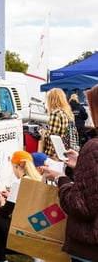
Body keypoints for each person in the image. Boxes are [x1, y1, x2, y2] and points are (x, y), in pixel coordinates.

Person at [42, 84, 98, 262]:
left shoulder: (94, 147)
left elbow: (80, 207)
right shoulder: (67, 114)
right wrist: (82, 163)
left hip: (90, 246)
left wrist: (62, 179)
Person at [0, 151, 42, 262]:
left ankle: (1, 258)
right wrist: (11, 196)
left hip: (24, 232)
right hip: (38, 229)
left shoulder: (19, 183)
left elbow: (5, 212)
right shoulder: (38, 179)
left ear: (16, 166)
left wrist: (3, 201)